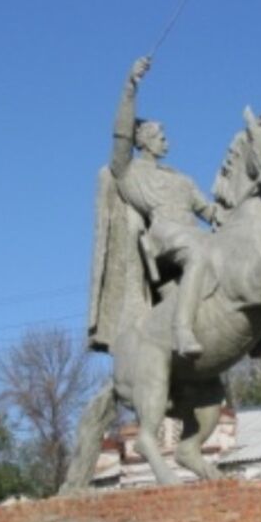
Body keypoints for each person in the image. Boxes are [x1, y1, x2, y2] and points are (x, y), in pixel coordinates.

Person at [108, 56, 218, 357]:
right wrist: (131, 86)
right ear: (143, 141)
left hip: (190, 233)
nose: (167, 143)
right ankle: (181, 331)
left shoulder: (182, 178)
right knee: (196, 253)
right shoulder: (129, 171)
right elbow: (120, 134)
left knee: (229, 256)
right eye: (161, 137)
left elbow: (209, 212)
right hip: (162, 237)